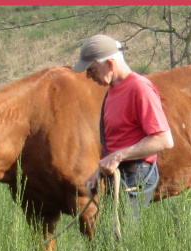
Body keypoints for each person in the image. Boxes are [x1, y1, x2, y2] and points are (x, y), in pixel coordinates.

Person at [72, 34, 174, 220]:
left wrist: (118, 156)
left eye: (92, 70)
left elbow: (163, 140)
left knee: (118, 240)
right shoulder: (112, 92)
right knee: (106, 242)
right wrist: (99, 171)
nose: (89, 76)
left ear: (109, 64)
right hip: (119, 174)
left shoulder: (139, 88)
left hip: (136, 174)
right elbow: (117, 140)